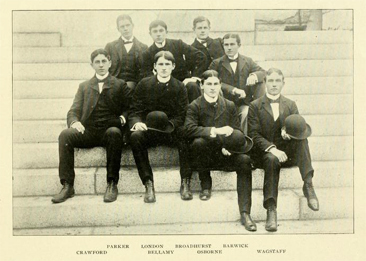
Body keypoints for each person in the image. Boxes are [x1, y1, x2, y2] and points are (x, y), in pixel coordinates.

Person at [52, 49, 131, 204]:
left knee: (115, 133)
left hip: (109, 130)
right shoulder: (84, 86)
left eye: (104, 61)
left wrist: (122, 118)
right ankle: (68, 185)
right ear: (91, 65)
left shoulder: (120, 84)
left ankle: (112, 184)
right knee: (65, 135)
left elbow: (129, 108)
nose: (101, 65)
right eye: (97, 62)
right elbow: (73, 110)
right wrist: (75, 122)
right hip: (88, 131)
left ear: (110, 63)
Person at [248, 68, 320, 232]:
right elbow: (253, 134)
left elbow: (298, 128)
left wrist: (288, 132)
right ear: (265, 83)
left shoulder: (290, 104)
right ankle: (271, 210)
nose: (274, 85)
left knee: (303, 141)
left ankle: (308, 184)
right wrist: (272, 148)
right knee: (272, 159)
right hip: (264, 154)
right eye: (271, 81)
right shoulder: (255, 106)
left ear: (283, 83)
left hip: (286, 152)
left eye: (277, 81)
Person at [184, 70, 256, 232]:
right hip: (206, 157)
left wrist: (228, 146)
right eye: (208, 84)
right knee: (198, 143)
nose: (212, 87)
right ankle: (205, 184)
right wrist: (215, 131)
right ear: (202, 86)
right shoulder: (194, 105)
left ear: (220, 85)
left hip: (226, 153)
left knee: (244, 160)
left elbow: (236, 131)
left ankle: (245, 212)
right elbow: (188, 129)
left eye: (215, 84)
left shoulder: (229, 105)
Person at [129, 51, 190, 203]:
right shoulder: (144, 84)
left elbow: (182, 114)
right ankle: (148, 183)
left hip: (170, 130)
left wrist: (171, 125)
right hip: (149, 130)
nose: (164, 68)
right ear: (155, 66)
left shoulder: (179, 86)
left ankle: (185, 182)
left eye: (167, 64)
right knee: (135, 136)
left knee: (186, 133)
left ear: (173, 66)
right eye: (160, 64)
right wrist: (138, 122)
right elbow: (135, 109)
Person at [209, 33, 266, 134]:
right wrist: (233, 89)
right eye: (226, 45)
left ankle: (244, 141)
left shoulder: (248, 61)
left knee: (247, 112)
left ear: (239, 45)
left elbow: (263, 72)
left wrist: (254, 76)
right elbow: (210, 81)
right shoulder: (216, 63)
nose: (229, 48)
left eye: (232, 44)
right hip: (223, 105)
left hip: (243, 104)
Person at [141, 19, 207, 103]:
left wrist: (194, 77)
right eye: (155, 31)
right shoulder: (147, 53)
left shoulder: (177, 44)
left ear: (166, 32)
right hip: (162, 82)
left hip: (183, 80)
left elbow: (200, 56)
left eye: (161, 31)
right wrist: (156, 80)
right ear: (150, 34)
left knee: (192, 86)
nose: (158, 34)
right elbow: (145, 72)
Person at [105, 14, 148, 91]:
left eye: (128, 25)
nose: (125, 29)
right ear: (118, 29)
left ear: (132, 26)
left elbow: (146, 71)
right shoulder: (110, 46)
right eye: (122, 26)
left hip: (136, 86)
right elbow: (105, 67)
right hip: (114, 85)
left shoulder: (144, 47)